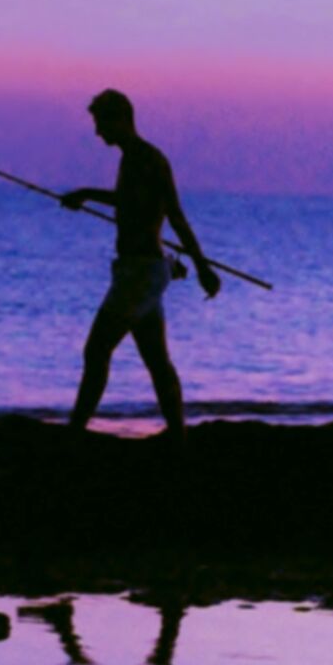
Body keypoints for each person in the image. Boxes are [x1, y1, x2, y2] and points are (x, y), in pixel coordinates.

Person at [58, 89, 219, 437]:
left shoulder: (146, 159)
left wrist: (203, 267)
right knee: (157, 362)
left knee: (97, 350)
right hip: (140, 271)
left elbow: (174, 215)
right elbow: (134, 205)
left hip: (140, 275)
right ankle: (178, 433)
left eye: (101, 122)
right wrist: (86, 194)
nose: (98, 132)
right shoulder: (134, 158)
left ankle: (74, 431)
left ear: (121, 119)